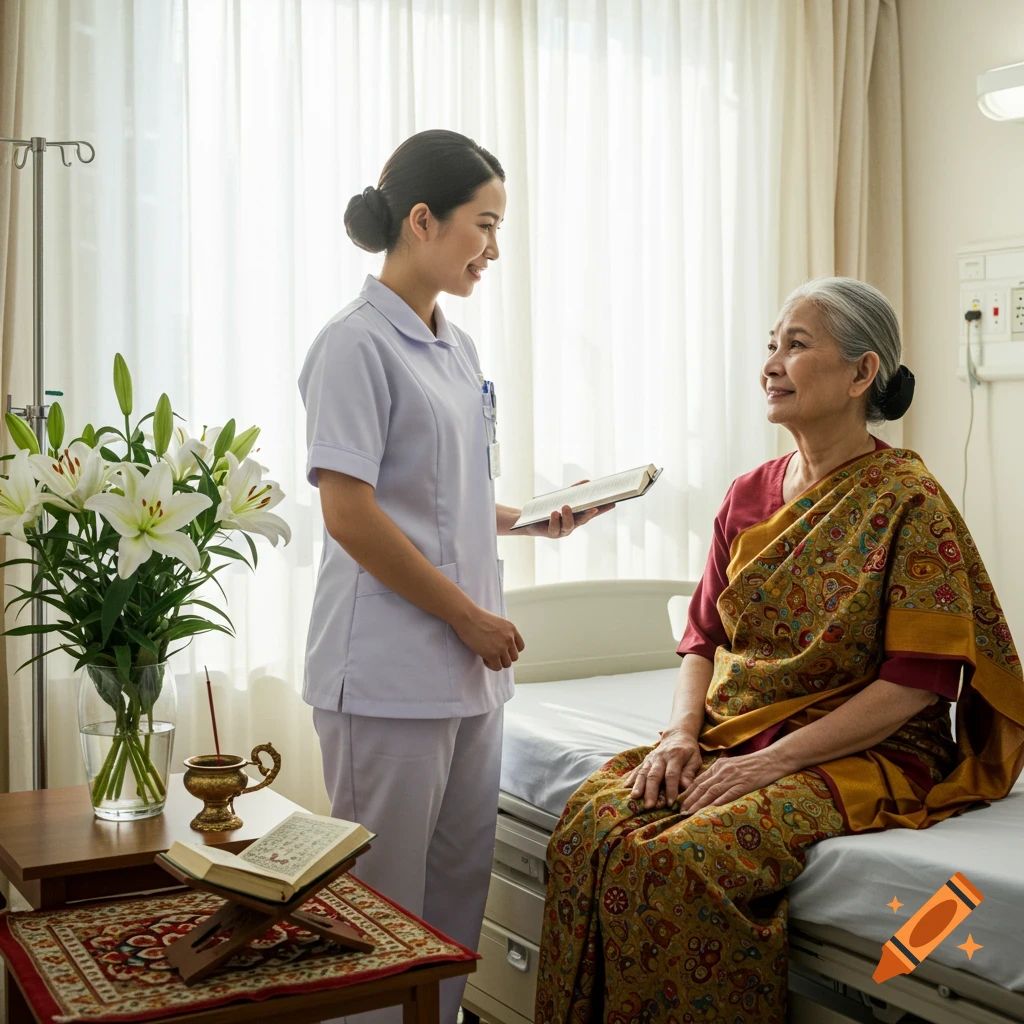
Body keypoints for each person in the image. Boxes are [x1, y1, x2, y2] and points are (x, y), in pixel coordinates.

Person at [534, 277, 1023, 1024]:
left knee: (679, 860)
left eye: (796, 345)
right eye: (771, 344)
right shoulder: (747, 495)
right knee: (592, 826)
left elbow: (919, 685)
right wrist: (681, 736)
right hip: (740, 728)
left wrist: (767, 765)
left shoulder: (907, 501)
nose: (770, 362)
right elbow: (702, 640)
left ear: (863, 374)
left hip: (877, 748)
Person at [298, 130, 610, 1024]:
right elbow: (351, 512)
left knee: (455, 892)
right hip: (389, 667)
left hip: (469, 672)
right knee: (381, 902)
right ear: (423, 219)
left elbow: (445, 493)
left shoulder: (455, 345)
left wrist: (534, 517)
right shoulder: (354, 345)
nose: (494, 250)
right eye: (485, 224)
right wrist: (471, 617)